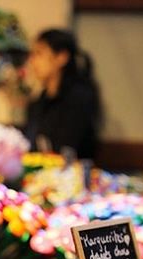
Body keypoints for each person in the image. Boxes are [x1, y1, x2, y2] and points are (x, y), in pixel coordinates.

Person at [25, 29, 101, 160]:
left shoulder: (79, 98)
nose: (32, 61)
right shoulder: (40, 101)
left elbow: (68, 149)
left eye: (39, 54)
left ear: (61, 57)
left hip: (71, 176)